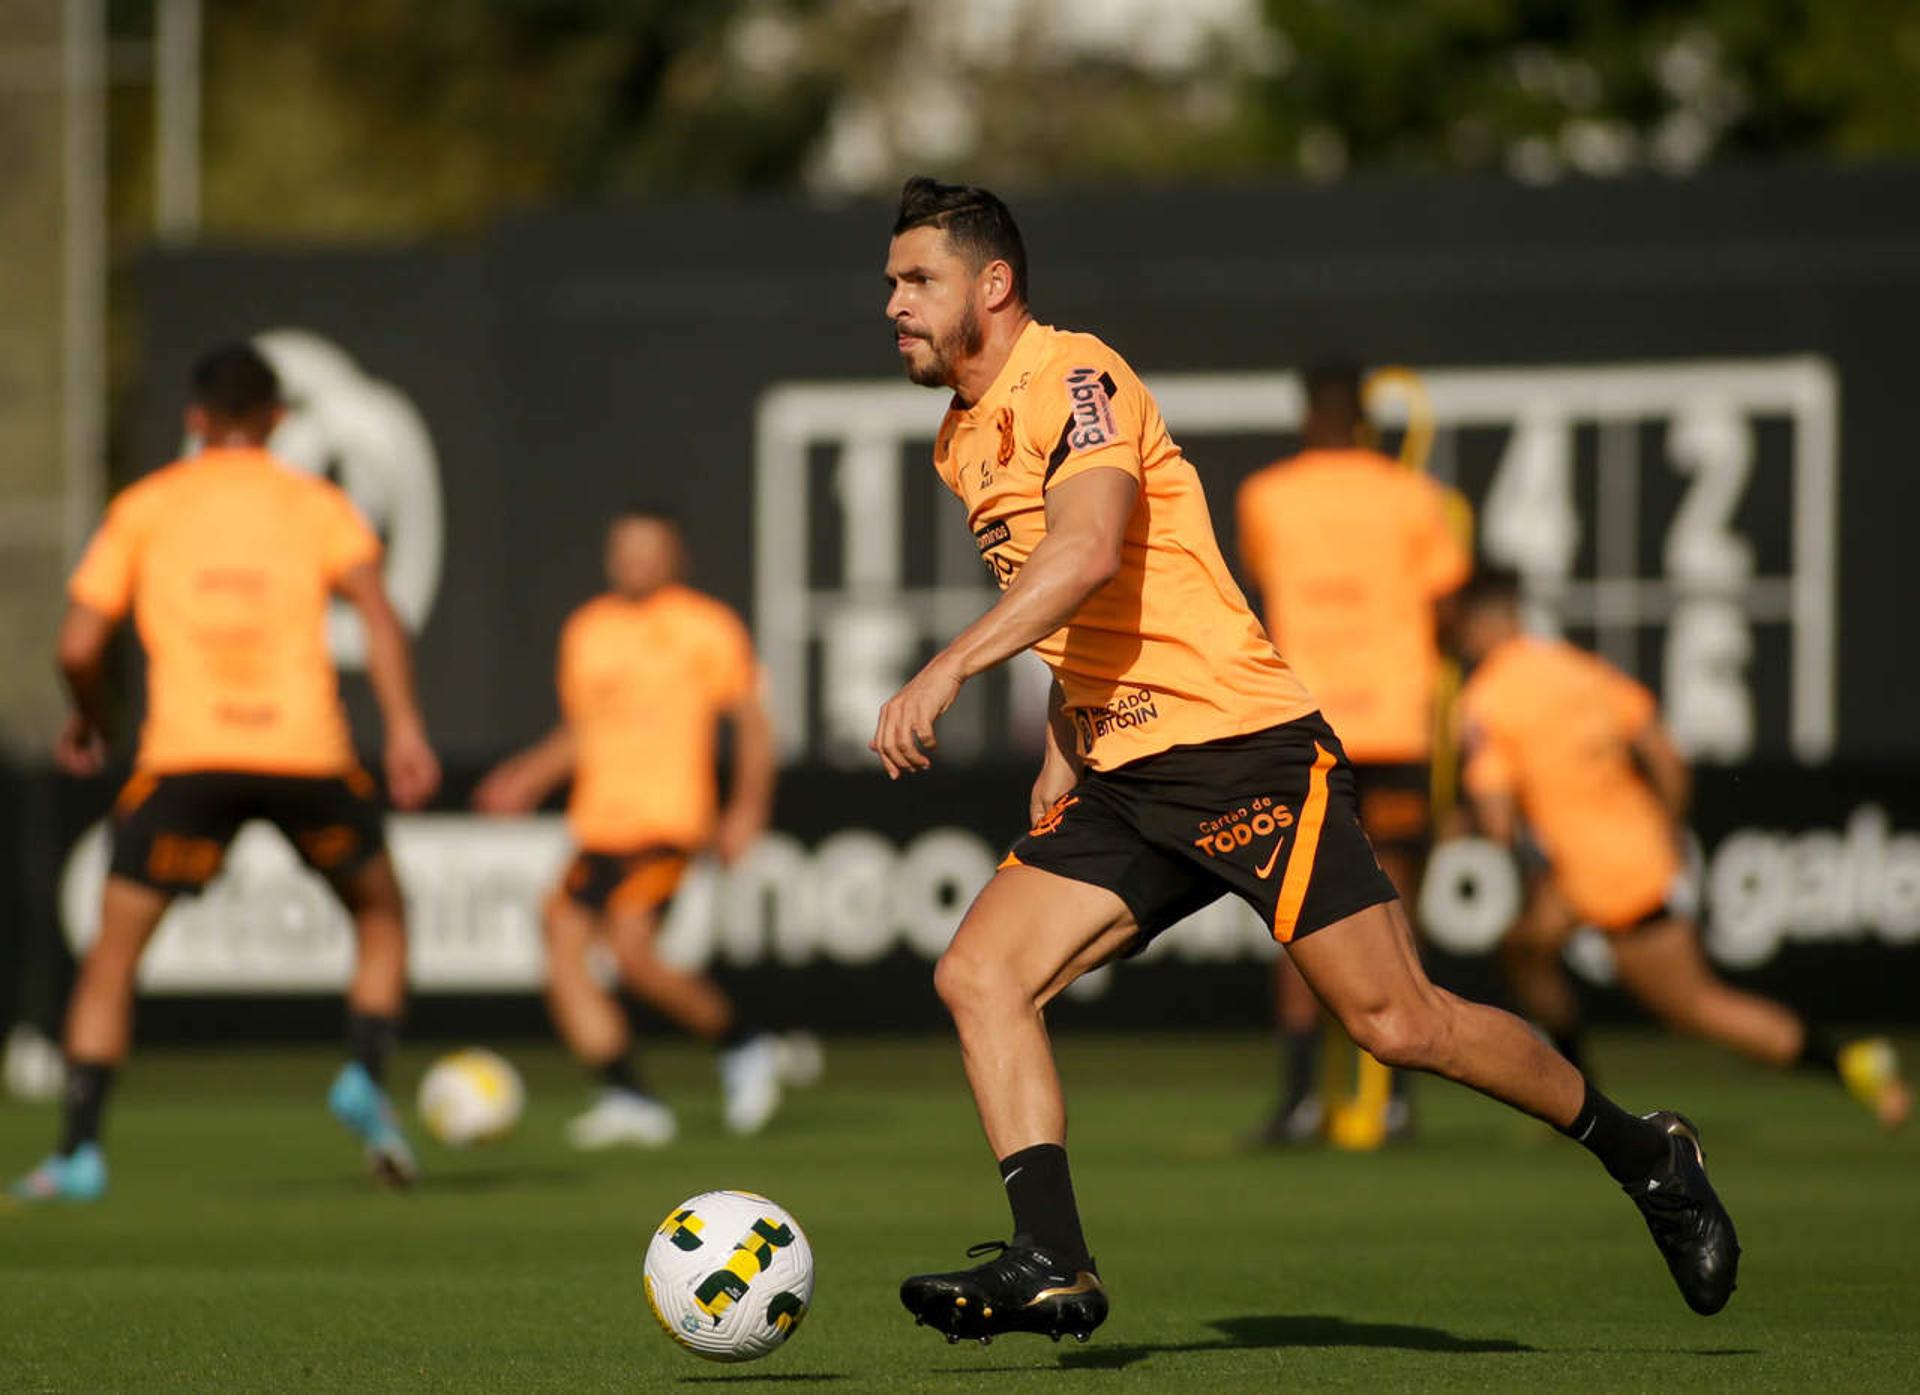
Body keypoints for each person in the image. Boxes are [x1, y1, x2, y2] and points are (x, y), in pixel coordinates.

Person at [872, 175, 1739, 1344]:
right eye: (889, 282)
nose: (894, 304)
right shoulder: (959, 438)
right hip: (1125, 777)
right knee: (980, 975)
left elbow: (1085, 552)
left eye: (916, 279)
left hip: (1240, 752)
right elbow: (1098, 614)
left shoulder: (1077, 376)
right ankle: (1053, 1262)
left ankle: (1649, 1156)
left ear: (995, 284)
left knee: (1401, 1026)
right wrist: (1063, 739)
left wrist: (947, 669)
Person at [10, 343, 440, 1202]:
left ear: (195, 419)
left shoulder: (146, 506)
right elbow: (382, 618)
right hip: (307, 756)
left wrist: (93, 718)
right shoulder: (318, 503)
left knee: (111, 960)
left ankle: (80, 1152)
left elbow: (76, 644)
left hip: (188, 762)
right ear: (279, 420)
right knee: (383, 918)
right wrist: (404, 730)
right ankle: (362, 1075)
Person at [1454, 566, 1911, 1127]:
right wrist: (1662, 830)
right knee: (1525, 947)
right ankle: (1573, 1093)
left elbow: (1498, 824)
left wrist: (1470, 832)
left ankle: (1847, 1062)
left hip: (1597, 872)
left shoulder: (1486, 698)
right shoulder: (1577, 668)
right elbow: (1664, 757)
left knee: (1697, 1007)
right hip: (1628, 854)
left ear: (1480, 624)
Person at [473, 508, 803, 1145]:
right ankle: (628, 1095)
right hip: (599, 824)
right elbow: (584, 732)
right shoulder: (588, 630)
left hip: (668, 819)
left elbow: (754, 726)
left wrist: (747, 811)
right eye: (623, 548)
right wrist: (528, 776)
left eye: (648, 549)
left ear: (675, 556)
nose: (634, 560)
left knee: (631, 954)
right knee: (562, 942)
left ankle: (743, 1043)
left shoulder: (705, 627)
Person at [1236, 361, 1470, 1143]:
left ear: (1308, 416)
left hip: (1303, 724)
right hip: (1397, 726)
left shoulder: (1266, 496)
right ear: (1366, 420)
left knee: (1295, 907)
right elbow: (1445, 607)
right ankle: (1396, 1097)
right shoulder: (1417, 498)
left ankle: (1301, 1098)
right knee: (1396, 906)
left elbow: (1268, 592)